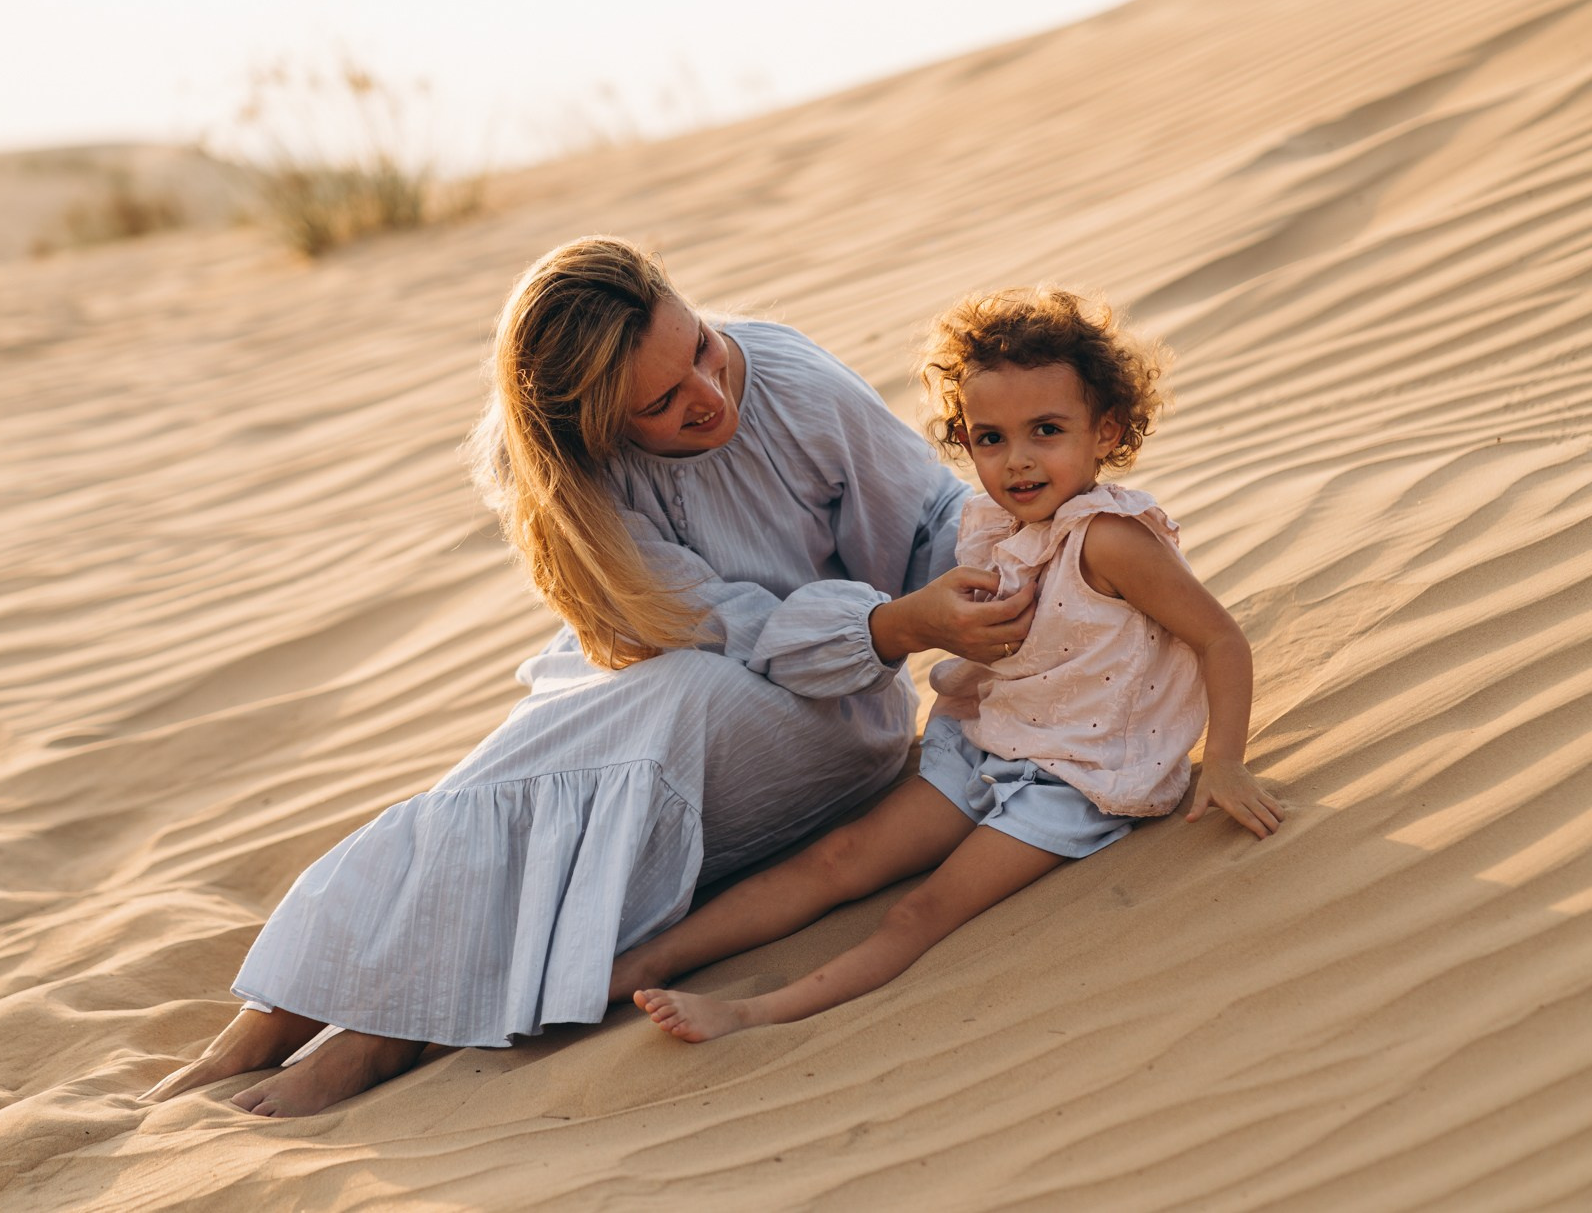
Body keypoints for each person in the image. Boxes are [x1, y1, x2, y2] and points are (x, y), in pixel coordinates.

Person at [138, 237, 1033, 1115]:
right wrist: (894, 621)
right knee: (513, 772)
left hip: (828, 711)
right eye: (662, 402)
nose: (708, 394)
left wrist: (976, 594)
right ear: (597, 426)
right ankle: (275, 1018)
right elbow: (706, 623)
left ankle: (377, 1041)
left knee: (677, 701)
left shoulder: (787, 379)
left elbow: (928, 520)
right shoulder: (573, 478)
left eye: (701, 347)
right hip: (661, 689)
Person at [627, 285, 1285, 1044]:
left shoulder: (1109, 539)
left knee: (919, 911)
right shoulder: (994, 523)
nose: (1018, 460)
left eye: (1046, 431)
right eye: (990, 438)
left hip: (1079, 775)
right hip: (993, 739)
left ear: (1105, 430)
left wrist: (1226, 761)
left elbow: (1220, 639)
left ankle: (751, 1013)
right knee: (839, 858)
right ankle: (641, 963)